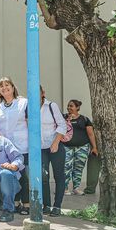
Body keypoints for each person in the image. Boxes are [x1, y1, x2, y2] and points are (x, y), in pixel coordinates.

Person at [0, 77, 30, 215]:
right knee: (9, 174)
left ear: (13, 87)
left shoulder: (23, 102)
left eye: (7, 85)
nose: (4, 88)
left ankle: (26, 203)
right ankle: (15, 201)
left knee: (23, 175)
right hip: (5, 147)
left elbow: (30, 121)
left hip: (22, 144)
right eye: (1, 86)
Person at [40, 86, 68, 217]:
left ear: (43, 93)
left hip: (55, 145)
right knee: (43, 177)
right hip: (40, 148)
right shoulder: (29, 108)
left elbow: (62, 124)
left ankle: (57, 206)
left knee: (59, 176)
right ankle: (46, 205)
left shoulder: (51, 106)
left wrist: (56, 142)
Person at [63, 99, 98, 195]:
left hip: (82, 147)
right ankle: (65, 188)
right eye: (68, 106)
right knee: (66, 168)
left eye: (71, 106)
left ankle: (76, 188)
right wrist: (67, 121)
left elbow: (90, 134)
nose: (69, 108)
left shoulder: (84, 119)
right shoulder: (63, 117)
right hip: (67, 147)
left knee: (78, 168)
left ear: (77, 108)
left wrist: (94, 147)